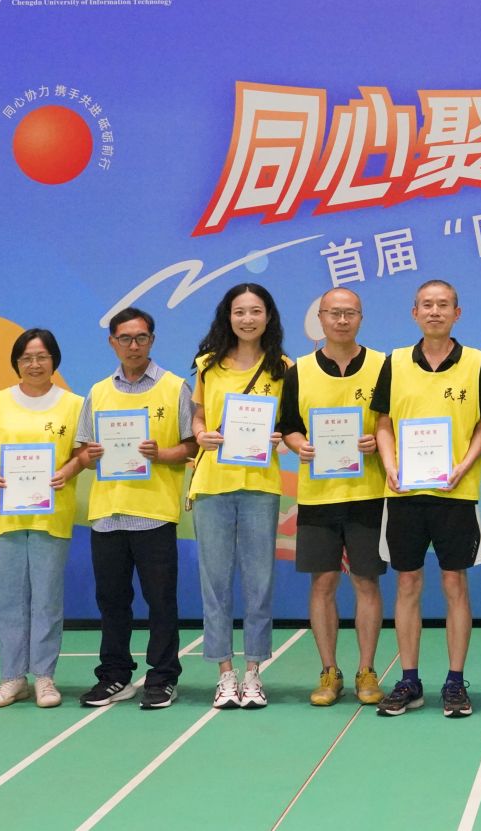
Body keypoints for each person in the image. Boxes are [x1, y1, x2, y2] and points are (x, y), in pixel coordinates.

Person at [372, 279, 481, 718]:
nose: (435, 311)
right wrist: (390, 465)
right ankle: (409, 679)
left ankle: (455, 682)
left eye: (443, 305)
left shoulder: (476, 362)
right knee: (407, 583)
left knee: (455, 583)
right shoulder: (396, 361)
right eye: (427, 305)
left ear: (457, 313)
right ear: (414, 313)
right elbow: (383, 422)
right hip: (404, 492)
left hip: (455, 492)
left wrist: (463, 465)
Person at [76, 306, 195, 711]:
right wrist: (90, 455)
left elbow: (190, 447)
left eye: (141, 337)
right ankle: (114, 676)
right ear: (112, 342)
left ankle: (162, 677)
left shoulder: (175, 388)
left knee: (161, 602)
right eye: (125, 338)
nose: (133, 345)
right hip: (107, 515)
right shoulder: (98, 392)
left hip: (154, 513)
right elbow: (84, 452)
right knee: (112, 601)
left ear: (152, 340)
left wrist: (161, 454)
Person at [276, 288, 387, 708]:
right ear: (320, 318)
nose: (342, 320)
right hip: (319, 495)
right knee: (322, 582)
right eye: (334, 313)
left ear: (361, 317)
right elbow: (288, 425)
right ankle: (329, 671)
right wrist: (300, 444)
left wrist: (378, 441)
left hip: (368, 492)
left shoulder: (382, 366)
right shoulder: (299, 370)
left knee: (366, 581)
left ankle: (366, 670)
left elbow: (393, 421)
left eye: (350, 313)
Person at [188, 284, 288, 710]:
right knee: (214, 584)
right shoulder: (207, 365)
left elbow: (291, 422)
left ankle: (253, 673)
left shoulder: (283, 367)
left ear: (269, 316)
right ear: (227, 317)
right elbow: (198, 417)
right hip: (212, 485)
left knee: (259, 582)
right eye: (239, 311)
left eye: (255, 311)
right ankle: (224, 674)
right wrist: (201, 435)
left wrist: (280, 436)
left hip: (261, 486)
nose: (247, 319)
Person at [0, 328, 85, 708]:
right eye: (26, 358)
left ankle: (45, 677)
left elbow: (83, 454)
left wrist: (67, 470)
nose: (34, 364)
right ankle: (11, 677)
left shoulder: (73, 404)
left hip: (51, 514)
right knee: (7, 598)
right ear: (16, 362)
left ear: (54, 360)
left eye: (42, 357)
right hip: (4, 513)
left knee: (47, 597)